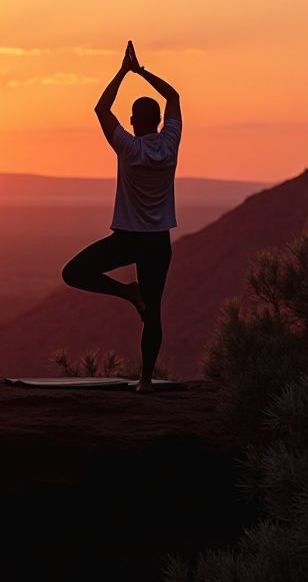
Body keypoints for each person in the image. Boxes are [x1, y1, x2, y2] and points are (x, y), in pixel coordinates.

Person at [61, 40, 182, 393]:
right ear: (158, 121)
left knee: (74, 272)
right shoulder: (170, 144)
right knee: (154, 311)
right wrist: (141, 72)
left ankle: (127, 292)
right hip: (158, 241)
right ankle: (145, 380)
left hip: (128, 238)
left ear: (132, 121)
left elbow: (101, 108)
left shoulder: (128, 147)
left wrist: (123, 72)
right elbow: (173, 96)